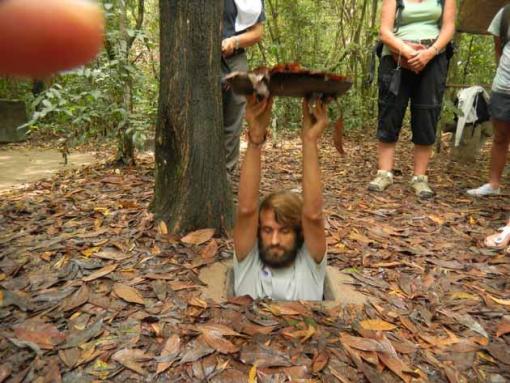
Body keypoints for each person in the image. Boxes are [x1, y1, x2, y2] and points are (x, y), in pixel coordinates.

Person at [233, 95, 328, 301]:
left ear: (299, 234)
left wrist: (310, 141)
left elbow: (313, 214)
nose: (274, 240)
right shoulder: (248, 261)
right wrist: (255, 139)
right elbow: (246, 209)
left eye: (285, 231)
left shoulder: (310, 264)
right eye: (267, 230)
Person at [368, 0, 456, 198]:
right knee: (390, 111)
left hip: (433, 59)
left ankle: (419, 178)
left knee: (427, 113)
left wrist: (429, 53)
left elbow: (449, 27)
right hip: (395, 58)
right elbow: (384, 32)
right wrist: (407, 52)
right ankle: (384, 173)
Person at [467, 5, 510, 197]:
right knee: (500, 137)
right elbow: (498, 47)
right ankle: (494, 184)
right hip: (503, 86)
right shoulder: (506, 14)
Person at [222, 0, 265, 176]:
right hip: (199, 59)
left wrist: (235, 40)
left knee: (232, 122)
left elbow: (257, 32)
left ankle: (225, 177)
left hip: (233, 59)